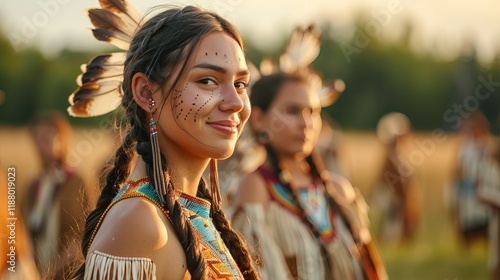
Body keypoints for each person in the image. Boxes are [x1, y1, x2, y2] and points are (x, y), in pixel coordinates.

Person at [68, 2, 259, 279]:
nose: (235, 103)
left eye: (240, 84)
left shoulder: (186, 213)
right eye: (207, 80)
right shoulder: (140, 223)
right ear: (146, 93)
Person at [231, 72, 387, 280]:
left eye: (313, 112)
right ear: (258, 118)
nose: (306, 123)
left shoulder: (339, 190)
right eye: (292, 111)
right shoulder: (255, 188)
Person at [22, 111, 89, 279]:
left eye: (46, 138)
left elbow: (84, 232)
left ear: (62, 141)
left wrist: (53, 272)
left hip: (70, 274)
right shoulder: (32, 185)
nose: (39, 143)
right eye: (36, 138)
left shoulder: (76, 182)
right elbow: (22, 233)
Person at [373, 112, 421, 243]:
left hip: (402, 201)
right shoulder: (389, 159)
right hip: (394, 202)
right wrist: (397, 200)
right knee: (392, 229)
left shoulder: (403, 156)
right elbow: (385, 183)